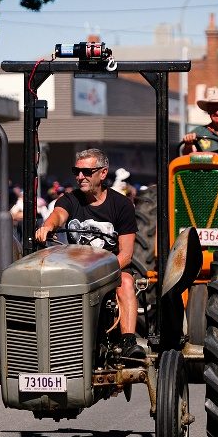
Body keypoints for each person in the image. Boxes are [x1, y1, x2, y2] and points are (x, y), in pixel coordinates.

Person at [35, 148, 143, 359]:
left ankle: (128, 342)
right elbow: (57, 215)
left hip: (112, 267)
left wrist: (99, 273)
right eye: (76, 171)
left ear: (103, 173)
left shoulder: (121, 205)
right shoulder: (69, 200)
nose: (80, 177)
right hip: (75, 268)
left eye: (86, 172)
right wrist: (48, 227)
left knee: (127, 282)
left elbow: (126, 254)